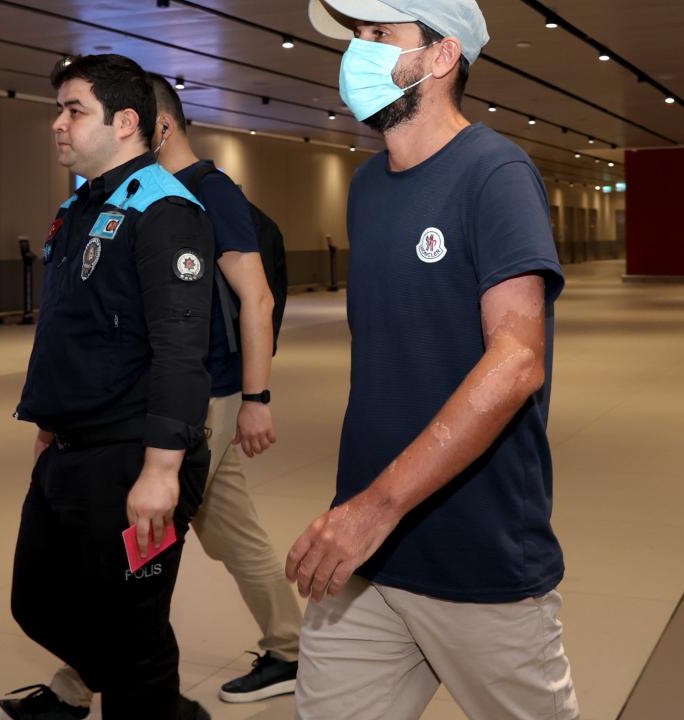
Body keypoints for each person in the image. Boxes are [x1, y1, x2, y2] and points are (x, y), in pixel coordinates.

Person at [288, 2, 580, 718]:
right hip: (367, 555)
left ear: (443, 56)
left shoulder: (494, 172)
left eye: (378, 35)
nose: (356, 52)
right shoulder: (367, 187)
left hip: (475, 550)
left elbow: (516, 360)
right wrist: (364, 513)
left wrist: (377, 508)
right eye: (354, 36)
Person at [29, 73, 304, 712]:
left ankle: (83, 686)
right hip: (159, 393)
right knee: (218, 531)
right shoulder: (130, 196)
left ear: (155, 126)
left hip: (201, 394)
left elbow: (256, 297)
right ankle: (288, 646)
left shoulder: (204, 192)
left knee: (139, 542)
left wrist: (255, 399)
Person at [0, 54, 215, 720]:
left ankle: (147, 695)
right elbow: (71, 332)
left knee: (134, 636)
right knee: (37, 603)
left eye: (74, 110)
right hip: (70, 453)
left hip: (132, 458)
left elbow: (182, 349)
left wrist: (161, 471)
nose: (57, 124)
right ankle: (152, 695)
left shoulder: (165, 211)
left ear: (125, 122)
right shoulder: (81, 208)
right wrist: (48, 427)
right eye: (59, 109)